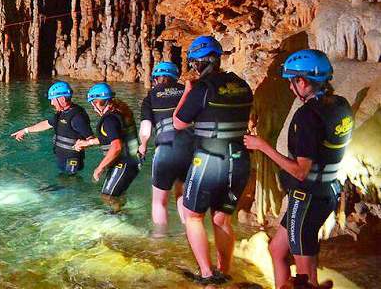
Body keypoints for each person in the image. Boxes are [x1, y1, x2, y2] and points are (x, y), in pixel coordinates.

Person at [244, 49, 349, 289]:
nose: (291, 88)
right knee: (277, 249)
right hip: (327, 190)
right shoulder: (340, 105)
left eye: (292, 82)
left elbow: (300, 171)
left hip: (307, 197)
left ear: (302, 81)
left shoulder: (307, 116)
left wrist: (261, 146)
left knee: (305, 278)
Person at [173, 35, 254, 285]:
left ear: (197, 63)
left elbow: (178, 122)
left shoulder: (202, 88)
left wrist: (187, 92)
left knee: (192, 215)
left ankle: (207, 275)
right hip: (239, 161)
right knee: (221, 218)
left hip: (209, 160)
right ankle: (224, 270)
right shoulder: (242, 84)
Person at [139, 61, 194, 237]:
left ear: (155, 79)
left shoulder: (151, 96)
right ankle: (190, 236)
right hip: (190, 149)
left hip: (166, 149)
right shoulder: (187, 91)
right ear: (175, 77)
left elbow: (146, 126)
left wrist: (143, 144)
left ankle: (161, 242)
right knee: (182, 195)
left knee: (159, 202)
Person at [72, 83, 140, 213]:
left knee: (107, 196)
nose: (93, 107)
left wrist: (100, 167)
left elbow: (116, 146)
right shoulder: (119, 113)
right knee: (117, 195)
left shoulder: (109, 120)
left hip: (123, 164)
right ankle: (122, 216)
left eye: (93, 103)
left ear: (97, 102)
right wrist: (88, 142)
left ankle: (119, 223)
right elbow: (112, 138)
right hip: (130, 163)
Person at [10, 82, 94, 176]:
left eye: (53, 100)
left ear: (62, 99)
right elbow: (46, 124)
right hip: (62, 158)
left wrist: (84, 145)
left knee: (70, 183)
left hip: (72, 160)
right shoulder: (62, 113)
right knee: (62, 181)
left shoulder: (77, 117)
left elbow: (91, 138)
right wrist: (25, 130)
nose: (51, 103)